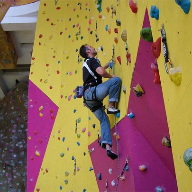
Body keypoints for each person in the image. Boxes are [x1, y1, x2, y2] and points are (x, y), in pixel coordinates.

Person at [79, 44, 122, 160]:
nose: (94, 48)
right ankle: (111, 106)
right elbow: (101, 72)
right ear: (88, 51)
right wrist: (110, 76)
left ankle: (108, 147)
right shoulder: (91, 60)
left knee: (104, 120)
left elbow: (97, 73)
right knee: (116, 80)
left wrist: (107, 65)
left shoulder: (87, 64)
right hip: (93, 93)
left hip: (89, 100)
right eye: (91, 47)